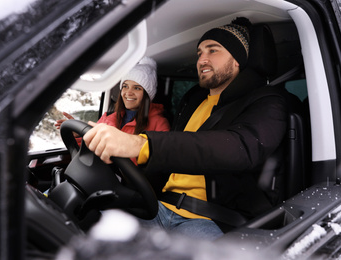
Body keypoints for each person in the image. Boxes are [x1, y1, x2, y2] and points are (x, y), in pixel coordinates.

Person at [82, 17, 288, 241]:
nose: (202, 59)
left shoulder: (268, 102)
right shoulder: (193, 101)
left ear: (237, 59)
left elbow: (239, 147)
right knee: (86, 219)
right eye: (200, 53)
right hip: (159, 207)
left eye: (213, 50)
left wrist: (138, 144)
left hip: (211, 219)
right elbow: (173, 154)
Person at [55, 57, 170, 164]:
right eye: (125, 86)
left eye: (137, 88)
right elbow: (90, 150)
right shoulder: (108, 117)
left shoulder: (159, 123)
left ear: (147, 94)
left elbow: (162, 160)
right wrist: (78, 135)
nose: (128, 92)